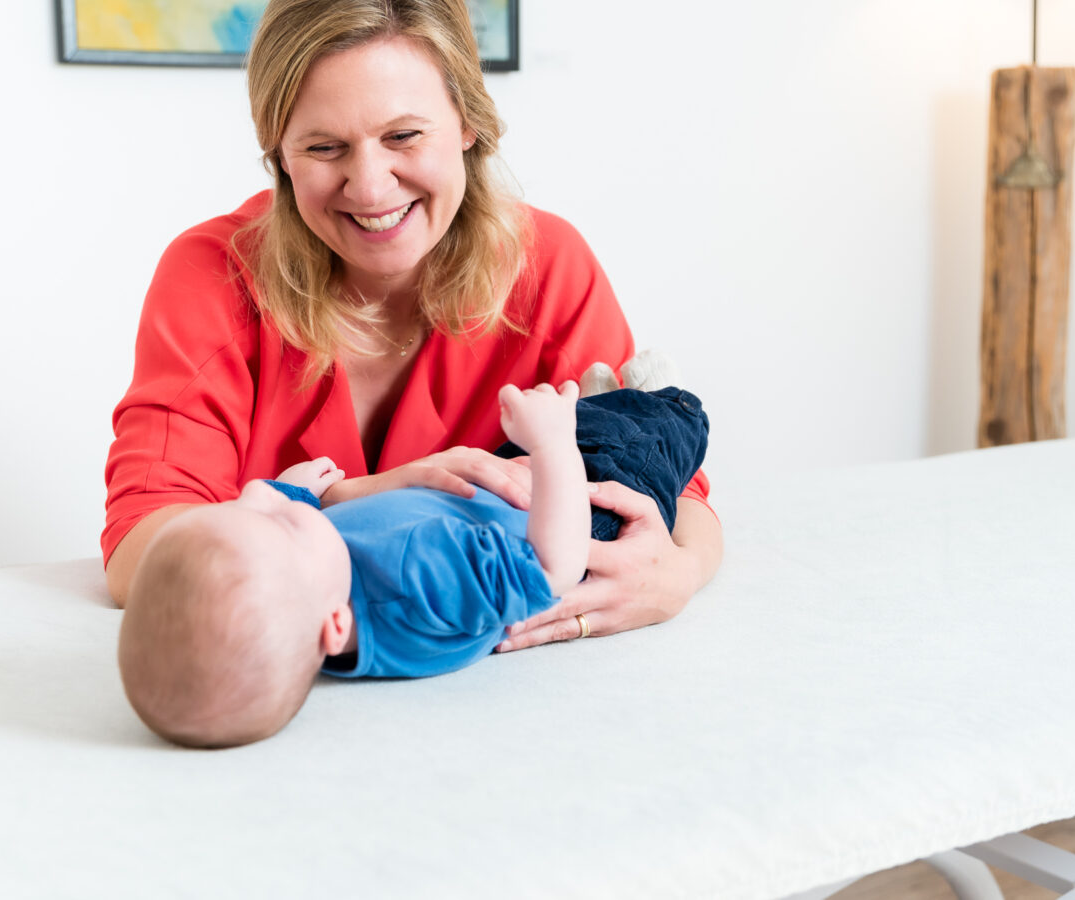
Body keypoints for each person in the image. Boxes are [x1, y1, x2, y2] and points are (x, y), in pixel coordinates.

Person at [102, 0, 722, 656]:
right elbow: (142, 546)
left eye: (403, 137)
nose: (369, 188)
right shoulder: (212, 278)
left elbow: (676, 488)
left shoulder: (550, 266)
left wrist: (679, 574)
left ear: (466, 124)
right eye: (325, 147)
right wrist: (357, 498)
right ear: (280, 154)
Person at [118, 374, 710, 748]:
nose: (267, 504)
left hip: (484, 489)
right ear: (336, 626)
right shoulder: (418, 587)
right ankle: (652, 394)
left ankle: (599, 398)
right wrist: (554, 448)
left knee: (573, 410)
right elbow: (551, 566)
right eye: (285, 523)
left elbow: (268, 537)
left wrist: (296, 496)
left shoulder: (301, 596)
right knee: (654, 427)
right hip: (577, 504)